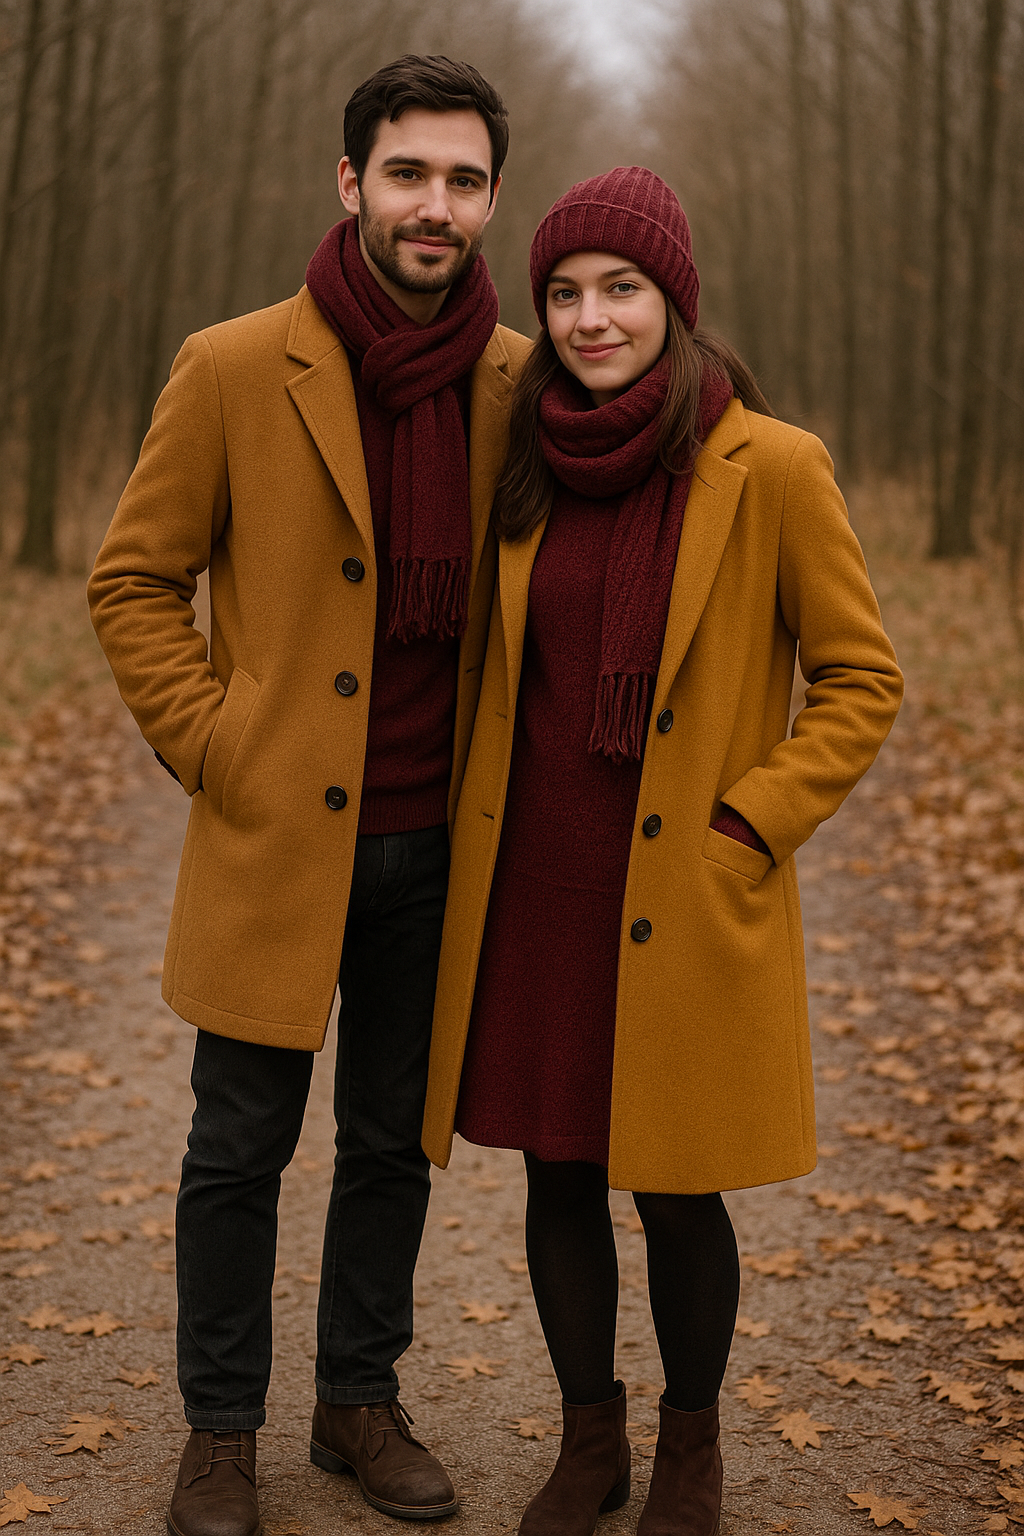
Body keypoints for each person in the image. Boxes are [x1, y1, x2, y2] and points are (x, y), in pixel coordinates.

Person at [421, 166, 904, 1536]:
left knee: (680, 1193)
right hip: (538, 888)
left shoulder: (775, 466)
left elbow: (863, 679)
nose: (590, 318)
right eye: (566, 293)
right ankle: (592, 1443)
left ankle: (691, 1449)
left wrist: (750, 825)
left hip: (683, 888)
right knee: (557, 1174)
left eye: (620, 288)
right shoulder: (522, 459)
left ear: (673, 301)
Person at [88, 54, 531, 1536]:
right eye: (408, 173)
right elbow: (134, 581)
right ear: (351, 183)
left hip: (437, 842)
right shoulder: (232, 366)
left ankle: (358, 1401)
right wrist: (218, 747)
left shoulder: (516, 382)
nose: (435, 205)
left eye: (463, 179)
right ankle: (221, 1433)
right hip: (276, 834)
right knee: (236, 1152)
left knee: (391, 1145)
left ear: (492, 199)